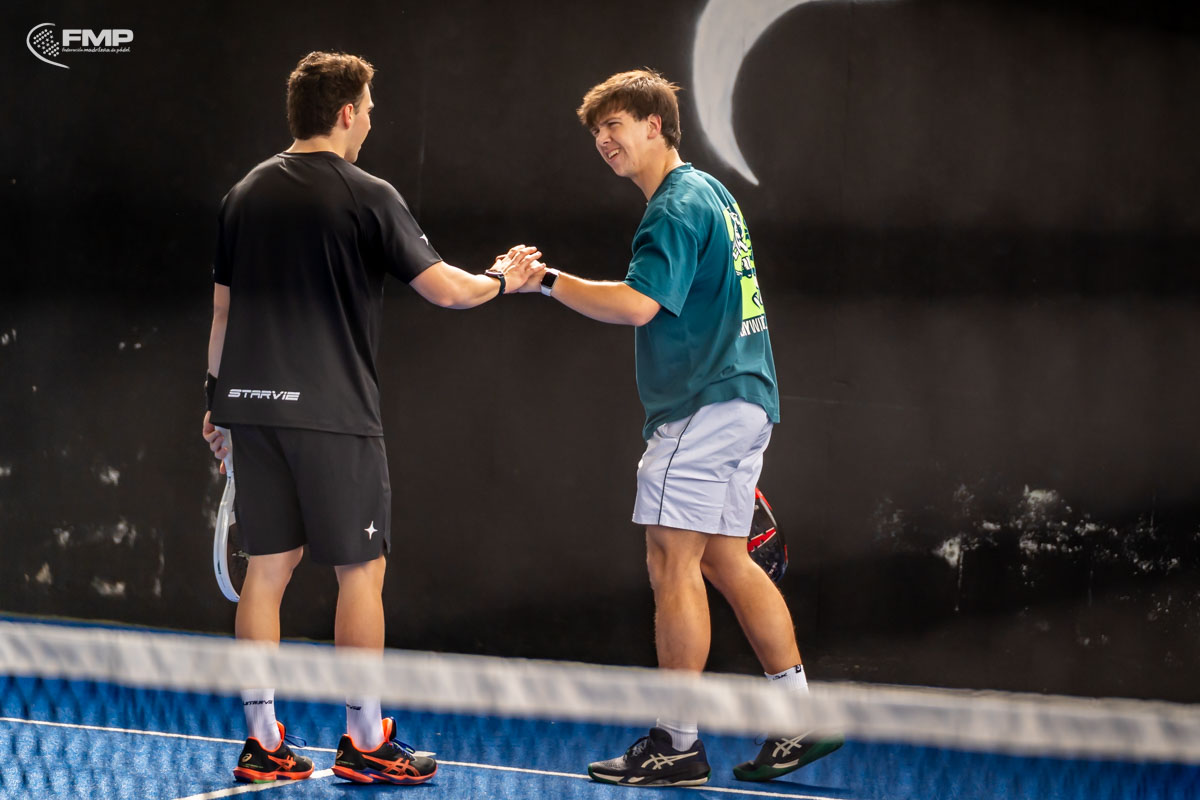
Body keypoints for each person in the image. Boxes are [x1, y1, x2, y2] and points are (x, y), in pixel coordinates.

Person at [201, 51, 542, 786]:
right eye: (369, 109)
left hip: (249, 410)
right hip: (332, 414)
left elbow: (223, 313)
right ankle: (364, 741)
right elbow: (447, 290)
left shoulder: (242, 194)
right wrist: (503, 279)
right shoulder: (367, 194)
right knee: (361, 571)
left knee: (267, 570)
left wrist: (215, 400)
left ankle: (262, 743)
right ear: (346, 112)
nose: (371, 122)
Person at [518, 69, 841, 787]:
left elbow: (638, 304)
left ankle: (677, 743)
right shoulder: (713, 193)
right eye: (596, 131)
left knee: (671, 561)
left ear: (655, 125)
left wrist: (545, 280)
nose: (604, 140)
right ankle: (798, 717)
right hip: (747, 398)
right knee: (725, 559)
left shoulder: (672, 206)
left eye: (615, 124)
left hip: (703, 404)